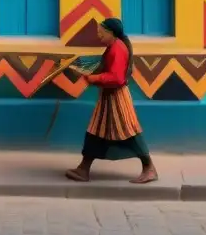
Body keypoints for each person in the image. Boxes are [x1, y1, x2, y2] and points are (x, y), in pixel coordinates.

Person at [65, 17, 158, 184]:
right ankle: (83, 168)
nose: (99, 37)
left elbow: (116, 78)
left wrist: (93, 79)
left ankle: (149, 168)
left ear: (110, 33)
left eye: (101, 33)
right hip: (109, 96)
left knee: (128, 132)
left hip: (116, 97)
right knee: (96, 130)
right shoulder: (113, 47)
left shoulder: (117, 49)